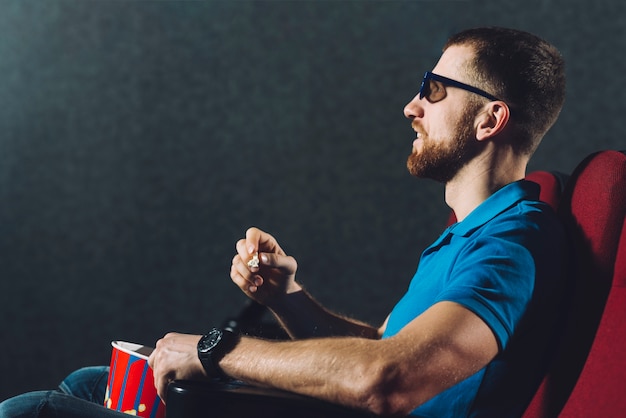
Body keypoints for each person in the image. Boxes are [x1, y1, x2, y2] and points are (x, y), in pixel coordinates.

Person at [0, 26, 567, 417]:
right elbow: (382, 348)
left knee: (37, 412)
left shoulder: (512, 243)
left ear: (491, 119)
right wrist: (288, 298)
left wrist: (217, 351)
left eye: (435, 90)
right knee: (87, 384)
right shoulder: (465, 233)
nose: (411, 106)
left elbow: (390, 380)